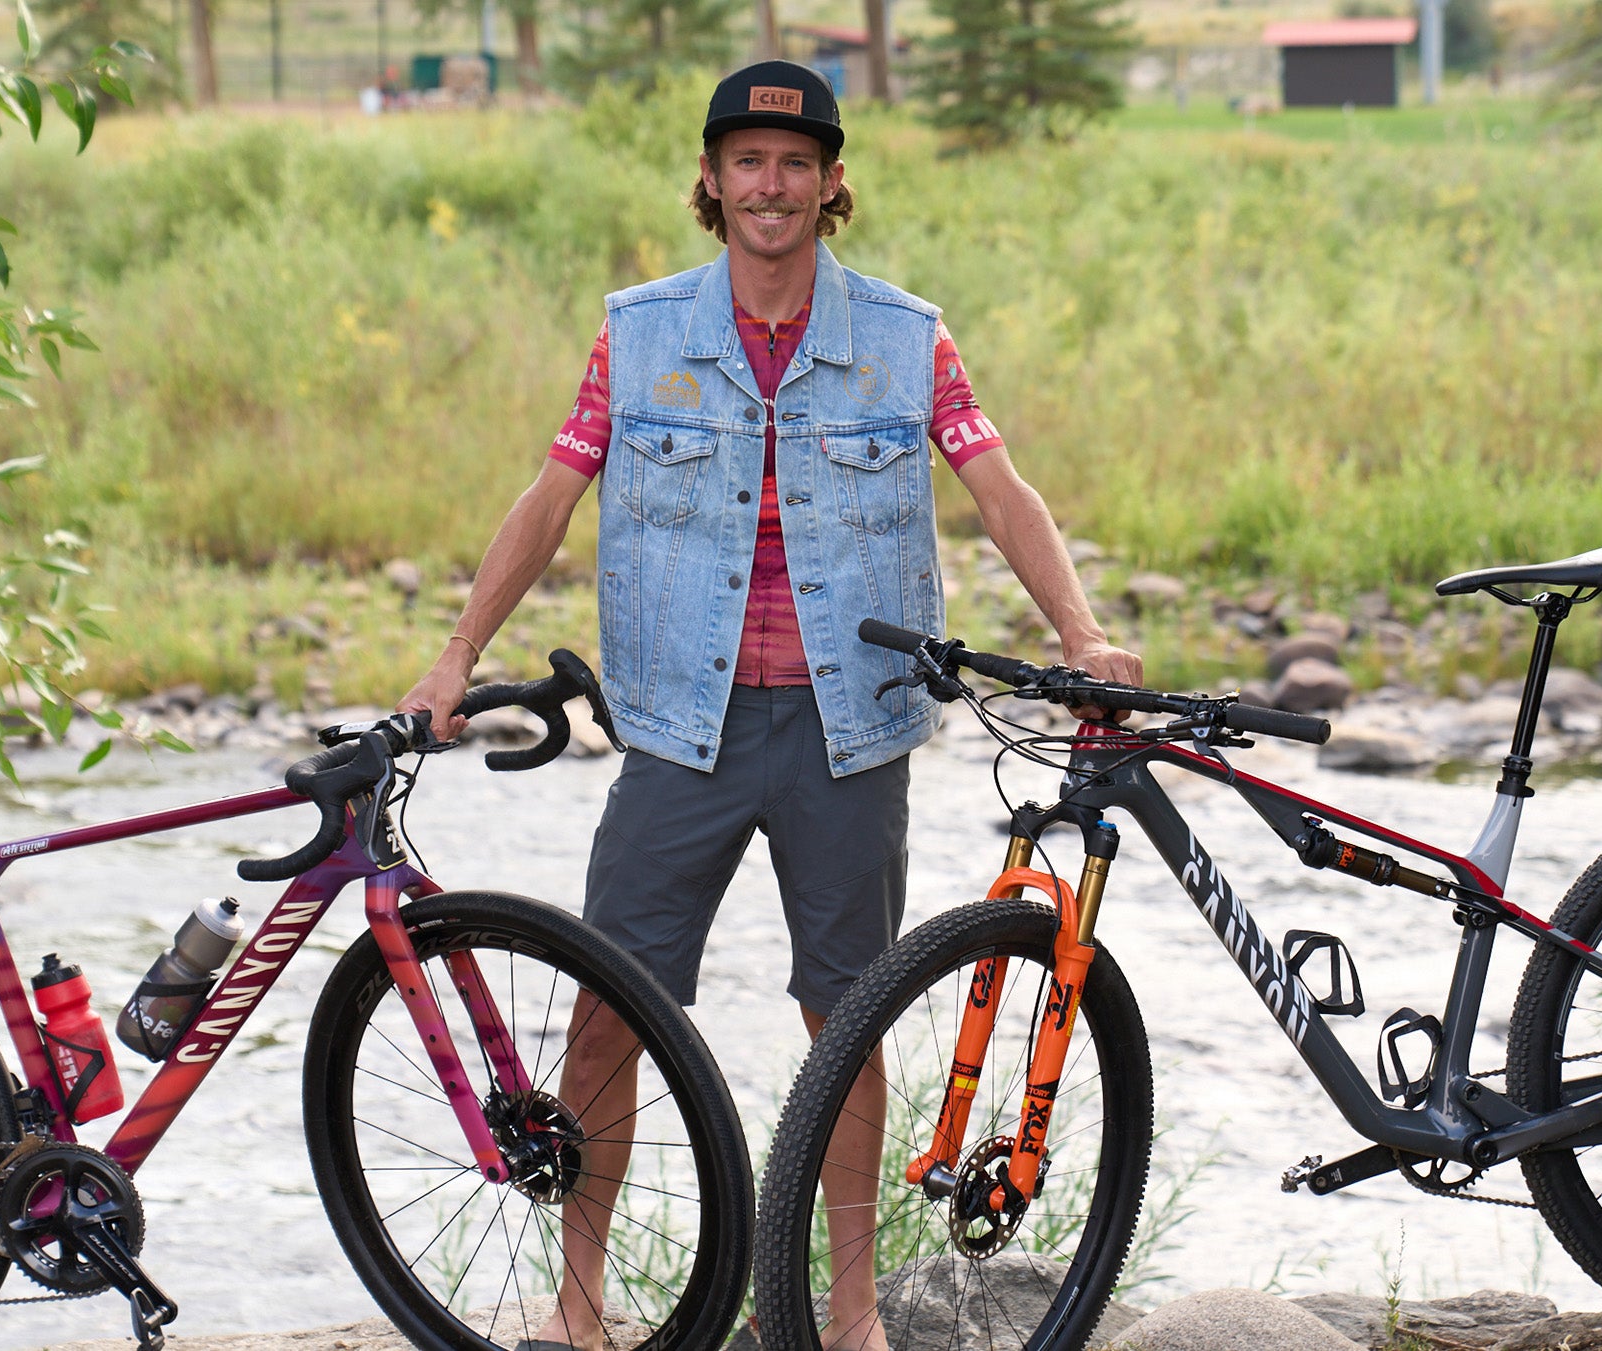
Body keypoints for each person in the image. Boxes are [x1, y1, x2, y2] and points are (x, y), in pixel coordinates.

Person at [395, 60, 1140, 1351]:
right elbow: (550, 496)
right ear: (712, 180)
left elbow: (1000, 487)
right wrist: (457, 652)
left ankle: (849, 1321)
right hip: (680, 730)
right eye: (748, 161)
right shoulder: (639, 335)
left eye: (797, 163)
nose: (772, 184)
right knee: (608, 1007)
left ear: (833, 183)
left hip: (850, 737)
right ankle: (581, 1312)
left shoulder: (910, 337)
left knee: (847, 1021)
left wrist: (1084, 632)